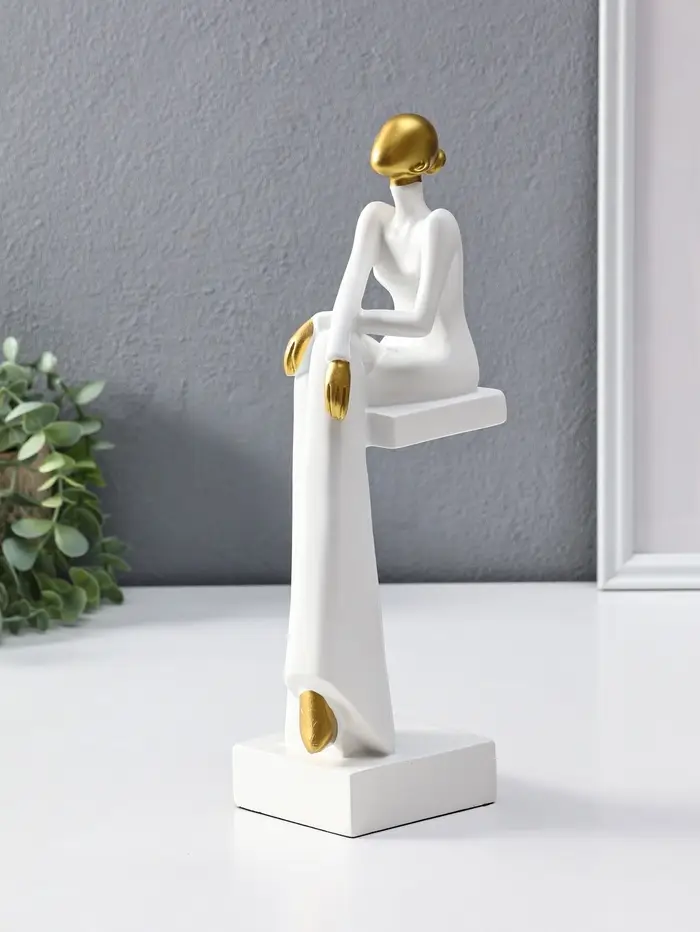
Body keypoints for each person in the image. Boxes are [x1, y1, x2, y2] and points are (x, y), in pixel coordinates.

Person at [282, 114, 481, 758]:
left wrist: (334, 329)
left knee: (330, 390)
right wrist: (333, 336)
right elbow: (348, 290)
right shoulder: (373, 217)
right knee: (316, 379)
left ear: (423, 165)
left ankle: (325, 674)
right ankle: (325, 674)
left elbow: (420, 321)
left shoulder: (440, 226)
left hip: (442, 360)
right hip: (394, 355)